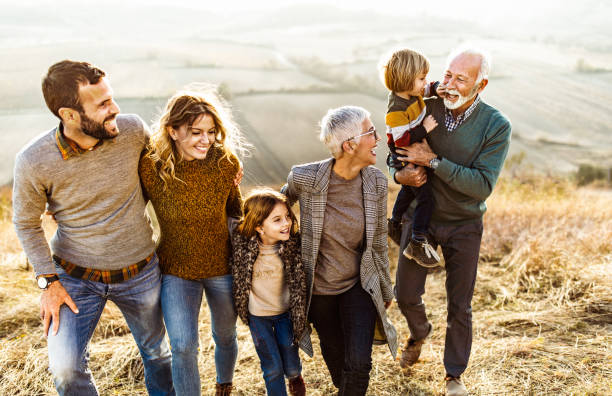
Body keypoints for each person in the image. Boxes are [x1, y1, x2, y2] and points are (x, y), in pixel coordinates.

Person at [12, 60, 173, 395]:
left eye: (111, 98)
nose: (115, 109)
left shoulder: (132, 131)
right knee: (66, 369)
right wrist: (48, 282)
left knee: (159, 355)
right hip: (73, 280)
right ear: (69, 114)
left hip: (141, 273)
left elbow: (168, 171)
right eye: (102, 105)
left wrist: (224, 170)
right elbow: (25, 223)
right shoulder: (34, 160)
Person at [391, 46, 512, 396]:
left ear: (481, 84)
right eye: (447, 74)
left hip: (464, 223)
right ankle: (419, 332)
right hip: (420, 222)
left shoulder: (495, 125)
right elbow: (396, 149)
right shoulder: (427, 106)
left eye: (461, 78)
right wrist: (400, 178)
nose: (449, 84)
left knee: (460, 304)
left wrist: (434, 162)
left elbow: (481, 186)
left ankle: (453, 375)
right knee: (405, 293)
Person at [281, 106, 397, 396]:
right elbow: (275, 205)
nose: (378, 138)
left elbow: (379, 240)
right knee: (337, 363)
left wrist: (385, 288)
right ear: (350, 145)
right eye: (371, 132)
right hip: (318, 291)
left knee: (359, 364)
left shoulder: (376, 182)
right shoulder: (306, 178)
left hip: (359, 284)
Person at [138, 88, 245, 396]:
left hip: (221, 268)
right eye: (195, 132)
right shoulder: (151, 167)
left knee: (225, 335)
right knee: (183, 346)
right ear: (173, 131)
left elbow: (235, 211)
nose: (206, 139)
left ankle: (224, 386)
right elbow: (127, 204)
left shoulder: (225, 163)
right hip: (175, 270)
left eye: (211, 132)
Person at [230, 188, 310, 396]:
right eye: (277, 220)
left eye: (287, 217)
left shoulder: (293, 246)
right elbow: (229, 214)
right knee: (272, 367)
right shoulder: (243, 247)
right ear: (258, 226)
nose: (286, 223)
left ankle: (295, 376)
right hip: (259, 317)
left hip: (286, 314)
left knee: (290, 363)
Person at [380, 48, 443, 267]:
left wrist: (436, 88)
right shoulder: (396, 109)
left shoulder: (411, 92)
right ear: (407, 80)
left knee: (408, 191)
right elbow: (401, 141)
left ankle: (394, 223)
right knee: (426, 198)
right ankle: (417, 241)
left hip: (410, 150)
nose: (424, 83)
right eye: (422, 78)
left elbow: (424, 90)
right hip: (403, 154)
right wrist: (424, 129)